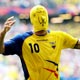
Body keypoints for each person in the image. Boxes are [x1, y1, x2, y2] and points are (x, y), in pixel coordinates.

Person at [0, 5, 80, 80]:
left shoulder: (59, 37)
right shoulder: (22, 40)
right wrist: (2, 34)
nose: (41, 19)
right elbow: (1, 50)